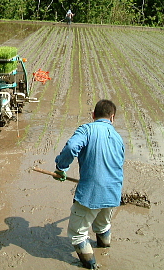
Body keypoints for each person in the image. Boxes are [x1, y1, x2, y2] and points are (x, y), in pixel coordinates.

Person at [54, 99, 124, 269]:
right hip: (113, 191)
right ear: (112, 118)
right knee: (102, 224)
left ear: (93, 115)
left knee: (77, 234)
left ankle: (90, 265)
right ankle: (104, 249)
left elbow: (71, 148)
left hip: (92, 192)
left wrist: (61, 168)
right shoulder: (118, 137)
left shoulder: (87, 129)